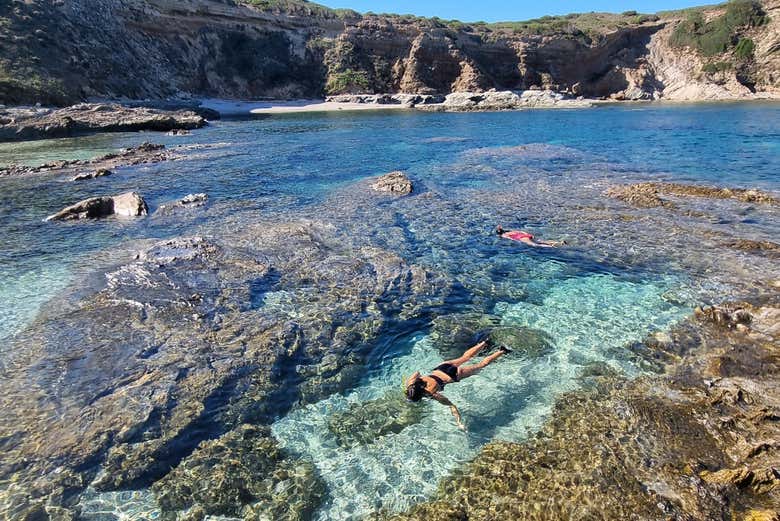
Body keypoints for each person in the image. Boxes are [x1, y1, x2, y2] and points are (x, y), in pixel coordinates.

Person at [404, 340, 511, 430]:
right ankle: (484, 343)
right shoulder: (411, 382)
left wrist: (459, 422)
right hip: (442, 367)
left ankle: (502, 350)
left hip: (454, 374)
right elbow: (417, 372)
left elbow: (451, 405)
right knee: (466, 356)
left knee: (482, 364)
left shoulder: (432, 393)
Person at [495, 225, 566, 248]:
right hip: (526, 235)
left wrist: (518, 241)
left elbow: (511, 239)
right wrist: (528, 235)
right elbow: (521, 231)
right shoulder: (510, 231)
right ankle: (559, 242)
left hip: (522, 238)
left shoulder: (504, 235)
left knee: (534, 245)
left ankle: (551, 246)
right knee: (541, 241)